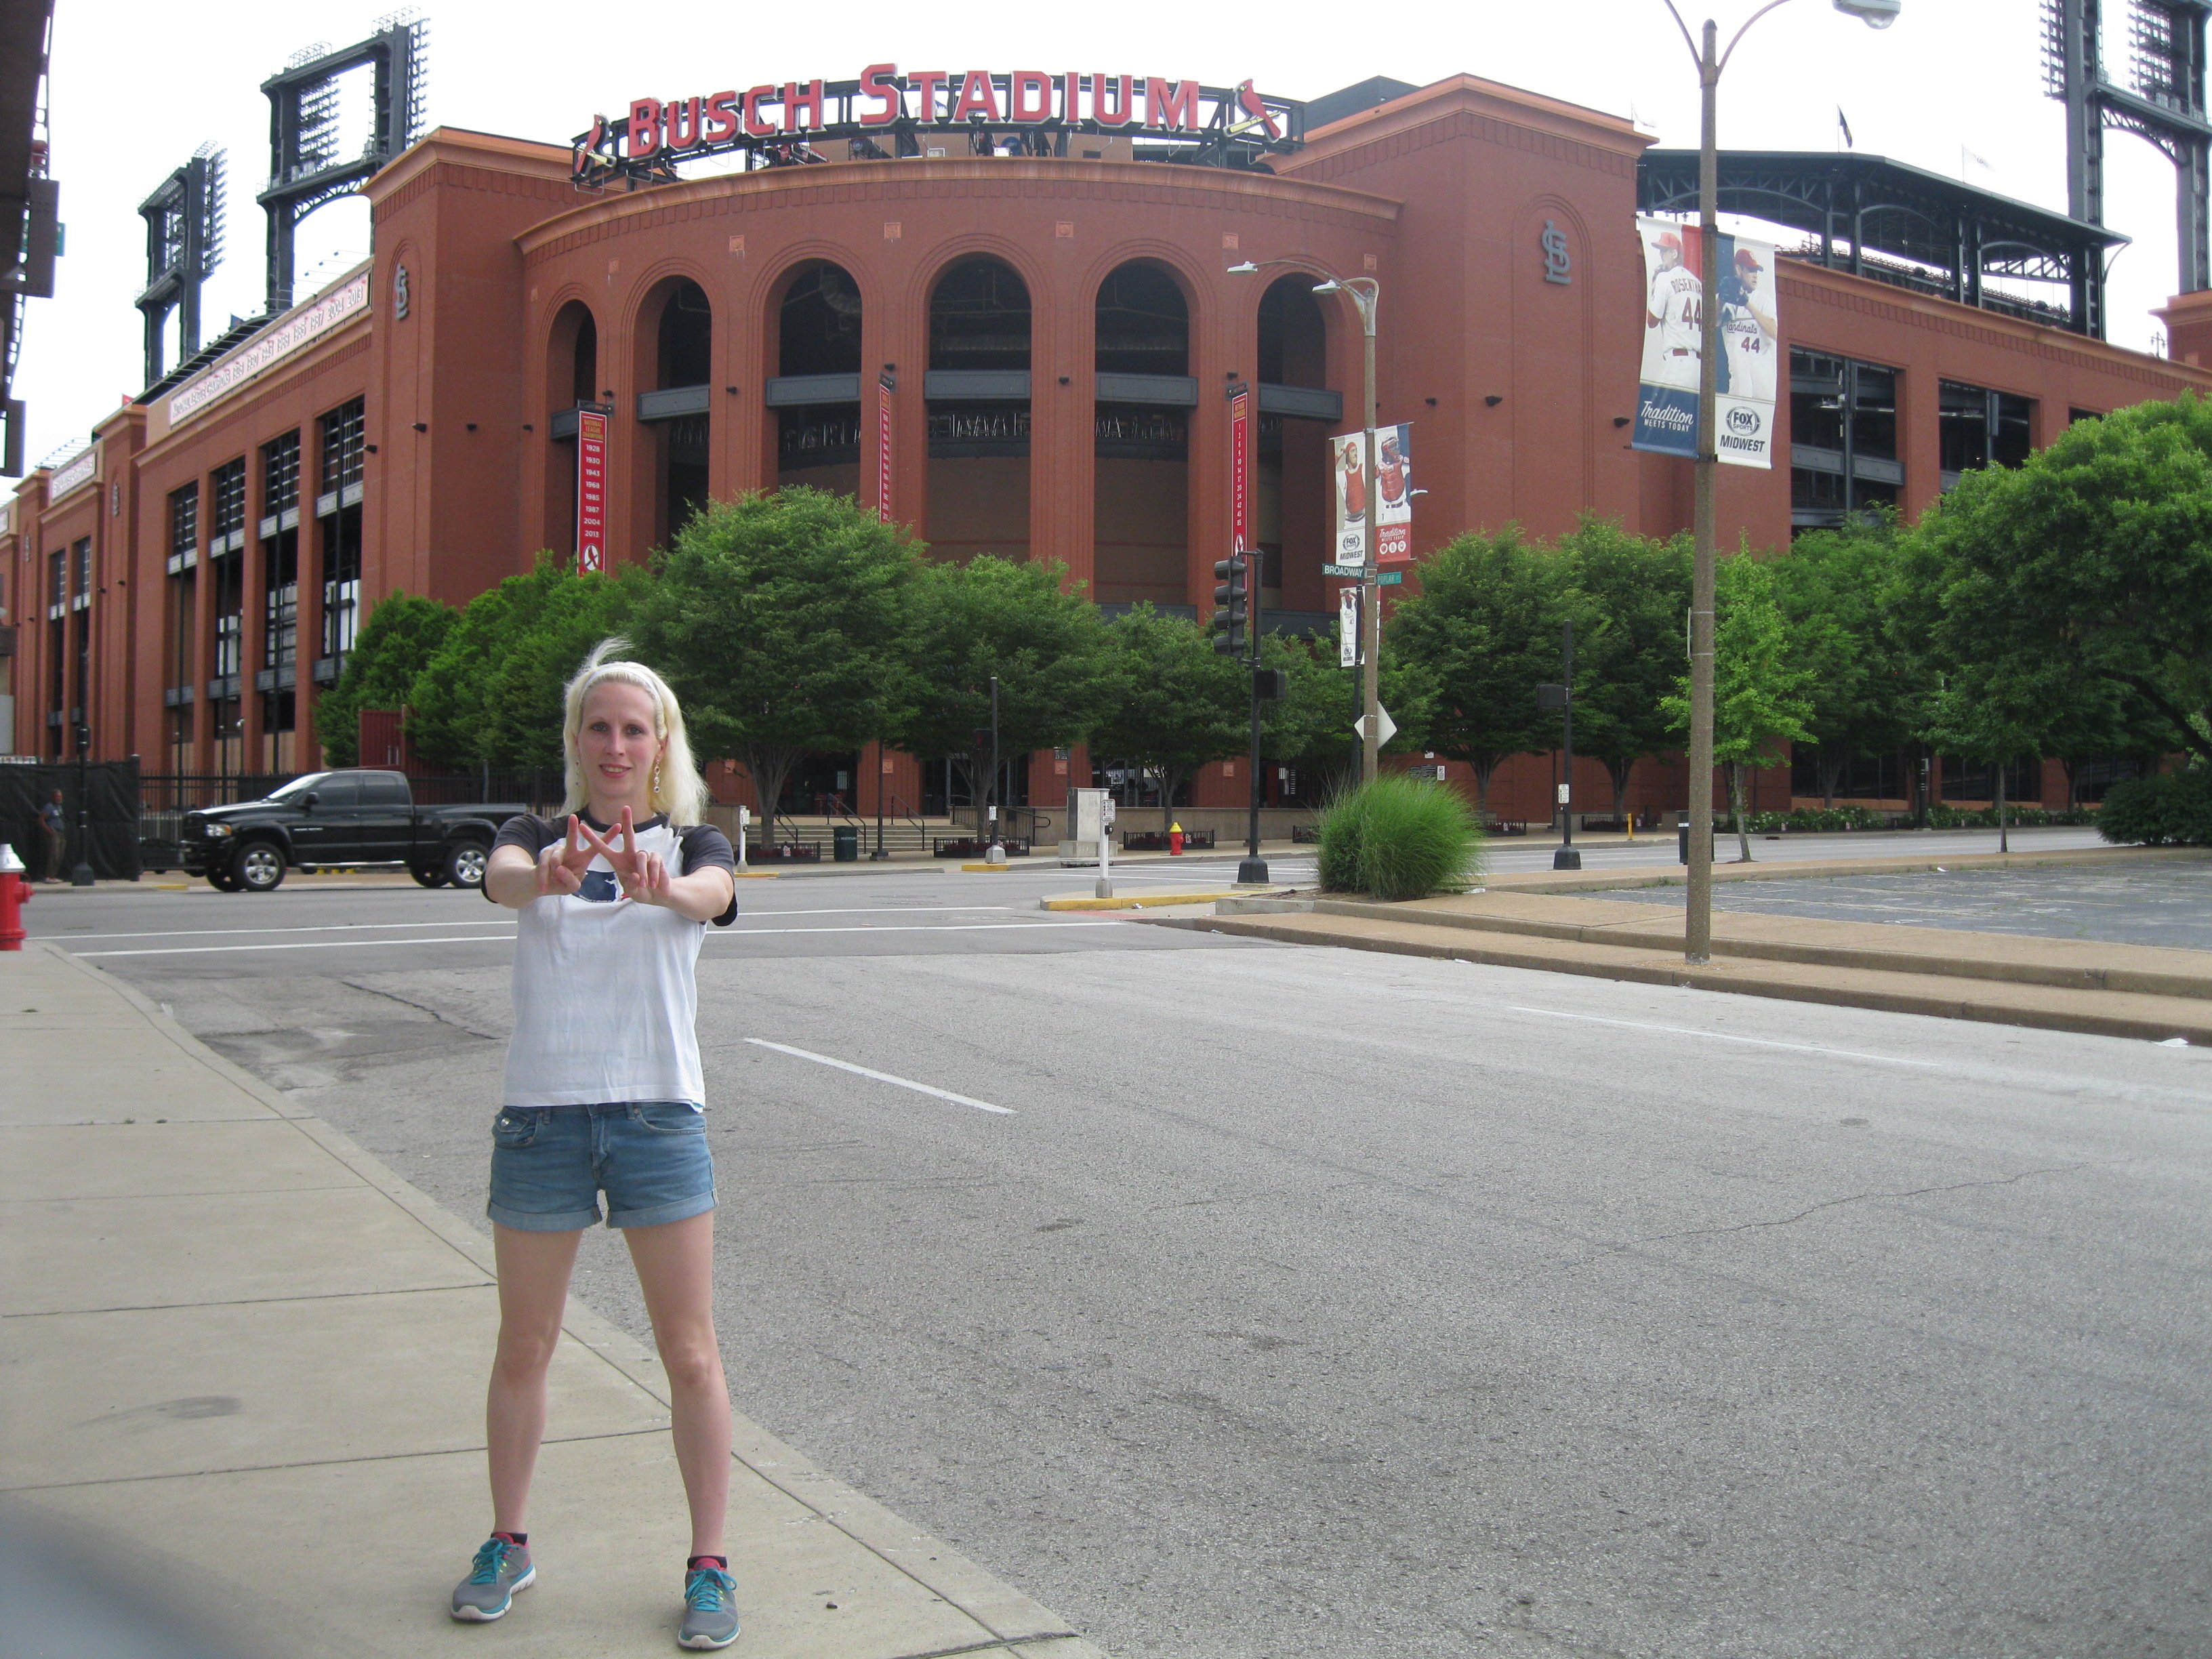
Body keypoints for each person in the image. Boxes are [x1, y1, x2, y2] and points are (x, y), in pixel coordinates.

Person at [458, 639, 742, 1650]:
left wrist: (658, 887)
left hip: (658, 1117)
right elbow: (501, 882)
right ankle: (508, 1543)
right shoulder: (533, 837)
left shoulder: (696, 844)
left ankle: (710, 1564)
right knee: (524, 1346)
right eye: (599, 727)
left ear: (661, 744)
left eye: (634, 729)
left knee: (691, 1352)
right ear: (578, 740)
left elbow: (713, 898)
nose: (616, 745)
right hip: (542, 1121)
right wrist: (551, 875)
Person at [1643, 228, 1703, 392]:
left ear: (1675, 253)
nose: (1661, 255)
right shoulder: (1698, 284)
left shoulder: (1665, 278)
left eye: (1665, 251)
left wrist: (1654, 287)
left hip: (1678, 363)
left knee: (1657, 406)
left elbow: (1652, 321)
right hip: (1699, 367)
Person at [1719, 246, 1778, 405]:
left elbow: (1774, 332)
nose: (1755, 275)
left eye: (1756, 271)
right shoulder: (1726, 300)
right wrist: (1721, 299)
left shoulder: (1764, 300)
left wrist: (1747, 304)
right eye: (1751, 270)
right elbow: (1712, 323)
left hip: (1763, 377)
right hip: (1739, 376)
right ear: (1739, 270)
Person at [39, 791, 65, 882]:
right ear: (53, 797)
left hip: (61, 832)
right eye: (57, 796)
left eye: (60, 797)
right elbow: (41, 820)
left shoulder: (59, 807)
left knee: (60, 854)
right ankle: (48, 876)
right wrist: (49, 830)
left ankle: (54, 876)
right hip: (54, 831)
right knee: (54, 854)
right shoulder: (49, 807)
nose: (59, 798)